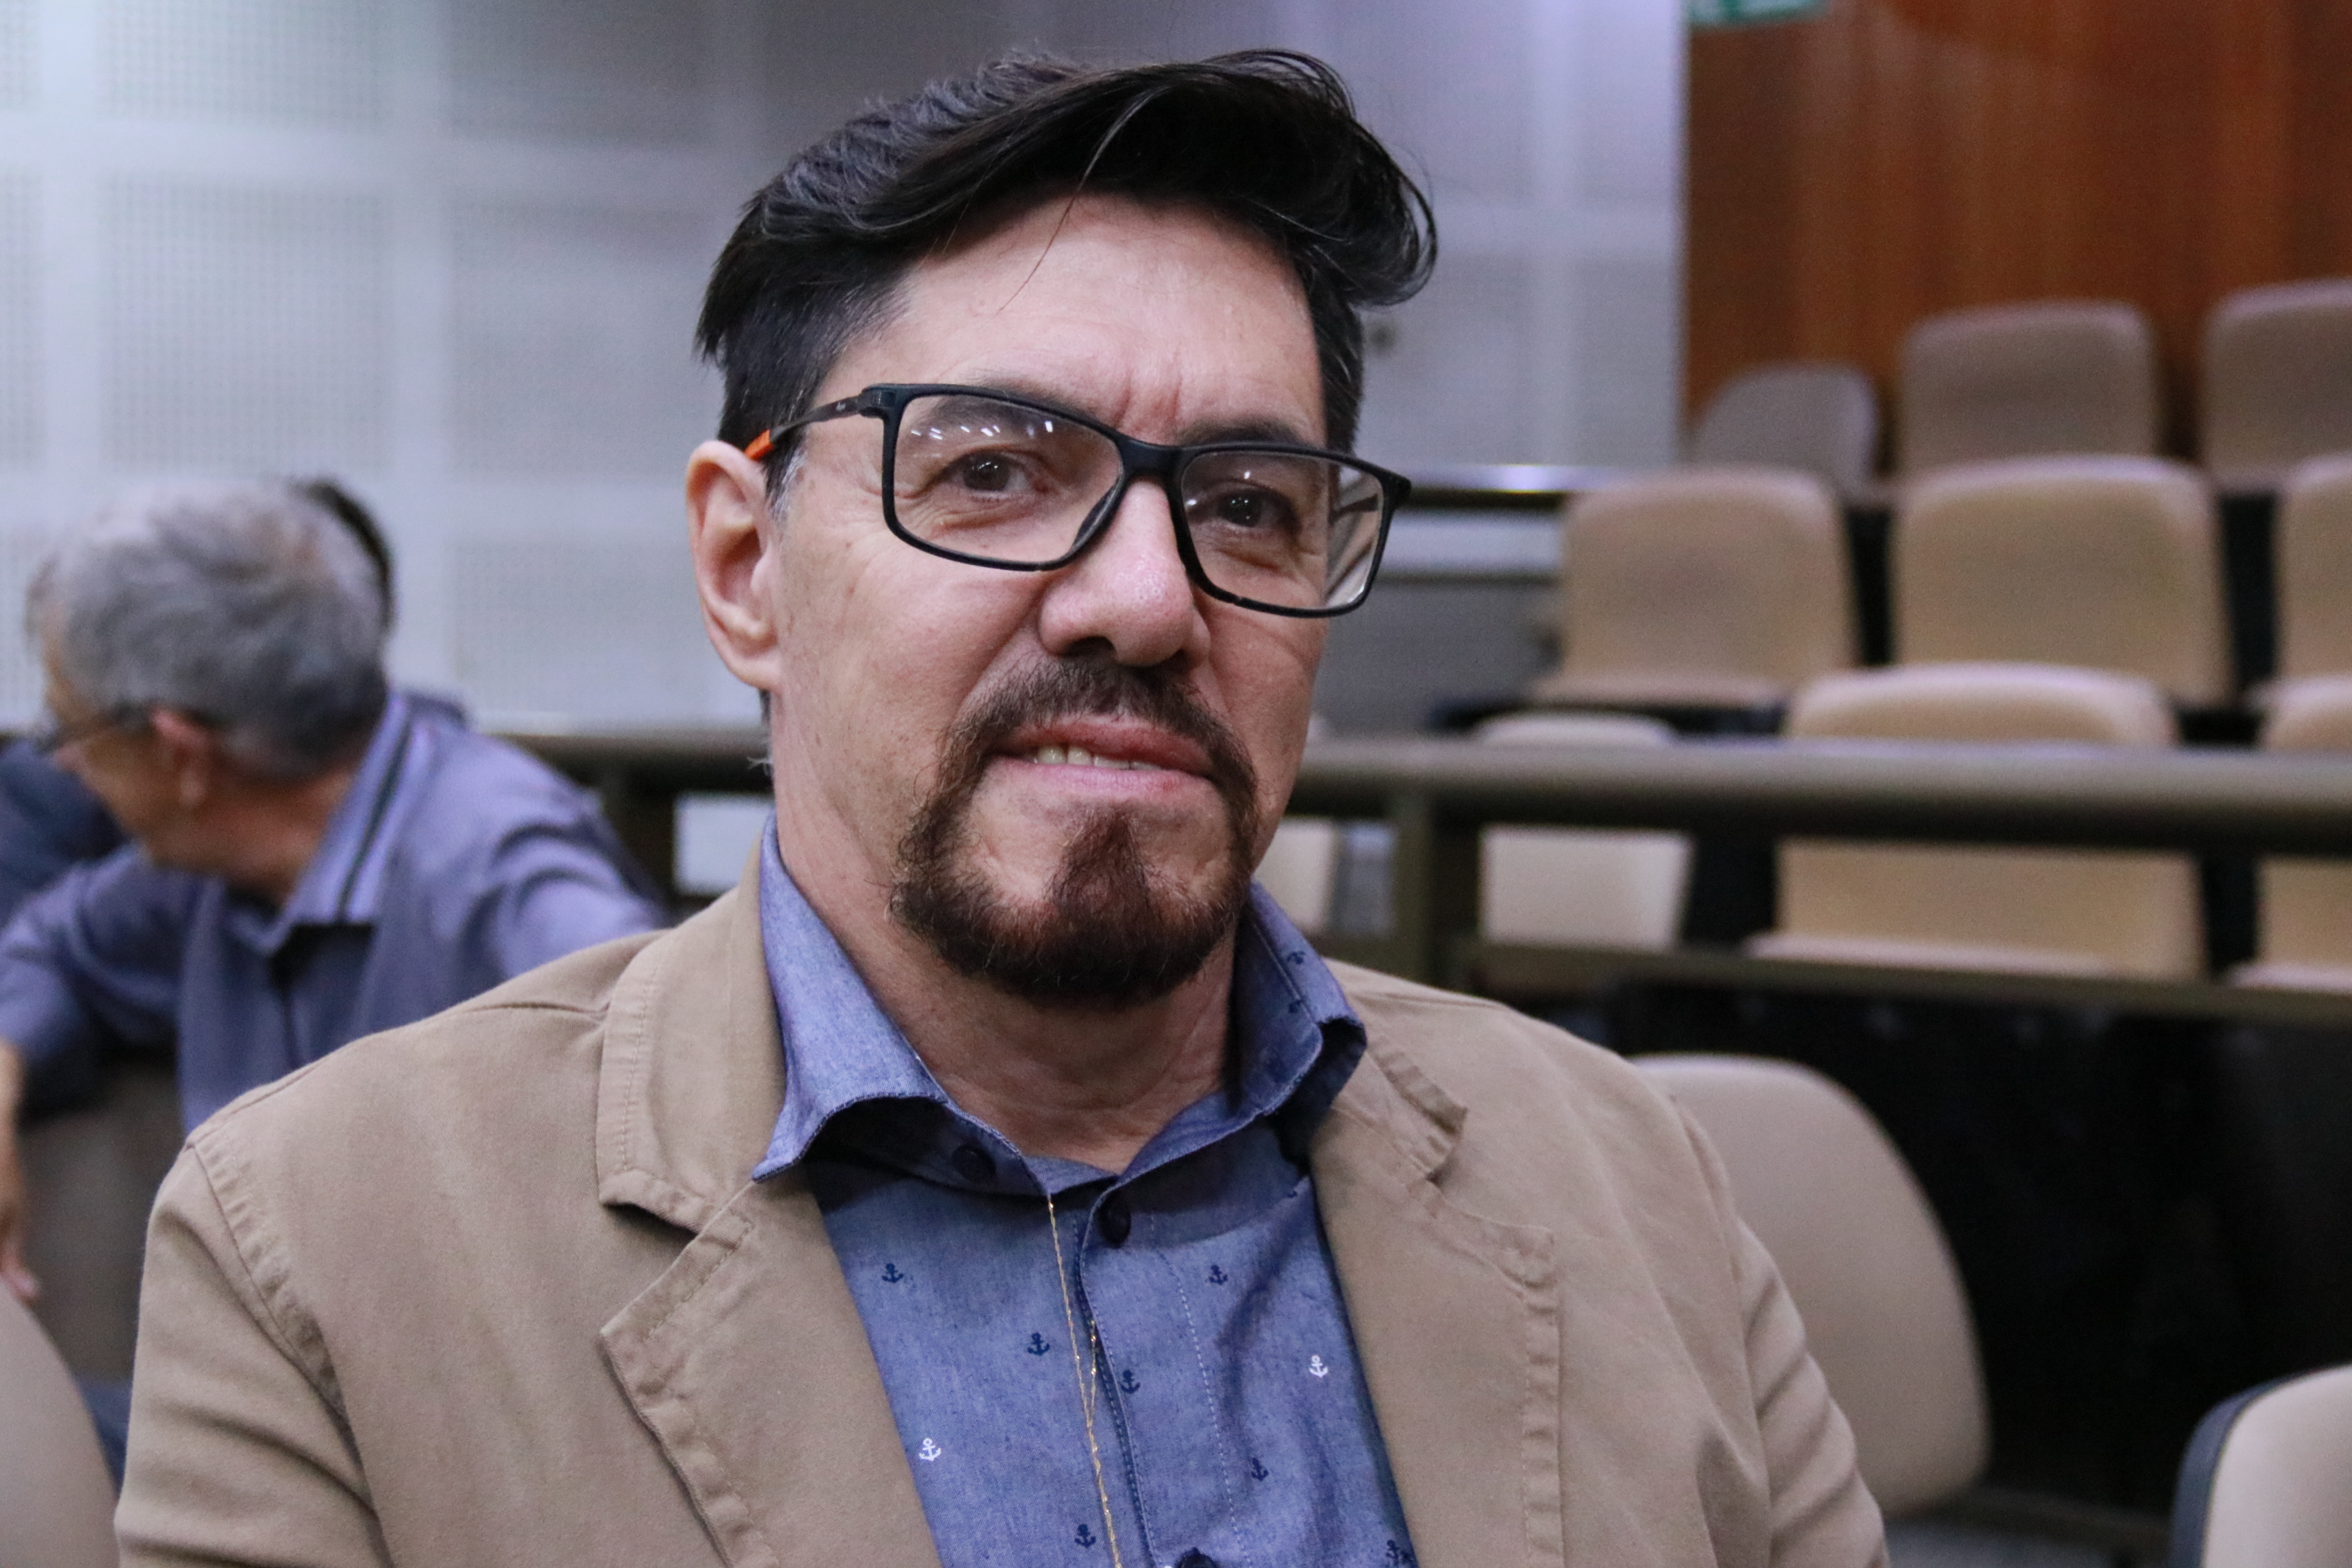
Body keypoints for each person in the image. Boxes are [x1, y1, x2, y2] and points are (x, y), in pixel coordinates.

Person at [119, 53, 1886, 1567]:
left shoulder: (1625, 1174)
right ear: (745, 570)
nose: (1149, 599)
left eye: (1250, 504)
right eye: (990, 472)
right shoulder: (327, 1249)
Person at [0, 479, 668, 1306]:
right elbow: (49, 948)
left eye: (70, 728)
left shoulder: (501, 875)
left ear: (181, 754)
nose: (64, 763)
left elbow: (673, 1085)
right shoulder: (199, 878)